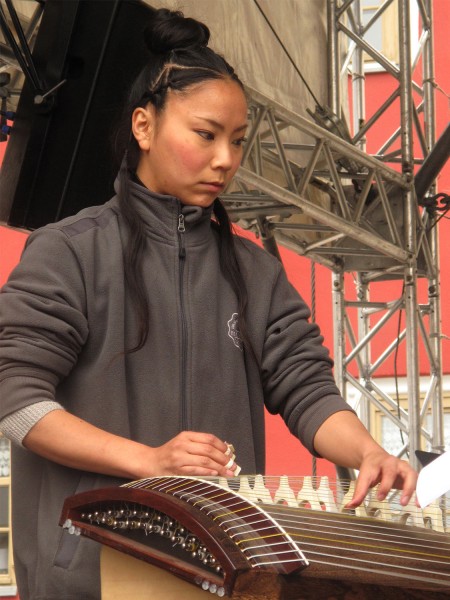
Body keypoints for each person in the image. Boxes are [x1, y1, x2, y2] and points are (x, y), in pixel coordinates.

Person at [0, 8, 417, 600]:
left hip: (225, 574)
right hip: (90, 579)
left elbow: (307, 389)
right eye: (206, 134)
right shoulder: (68, 252)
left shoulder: (255, 272)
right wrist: (148, 460)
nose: (226, 159)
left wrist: (370, 452)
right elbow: (15, 403)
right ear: (144, 126)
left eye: (239, 141)